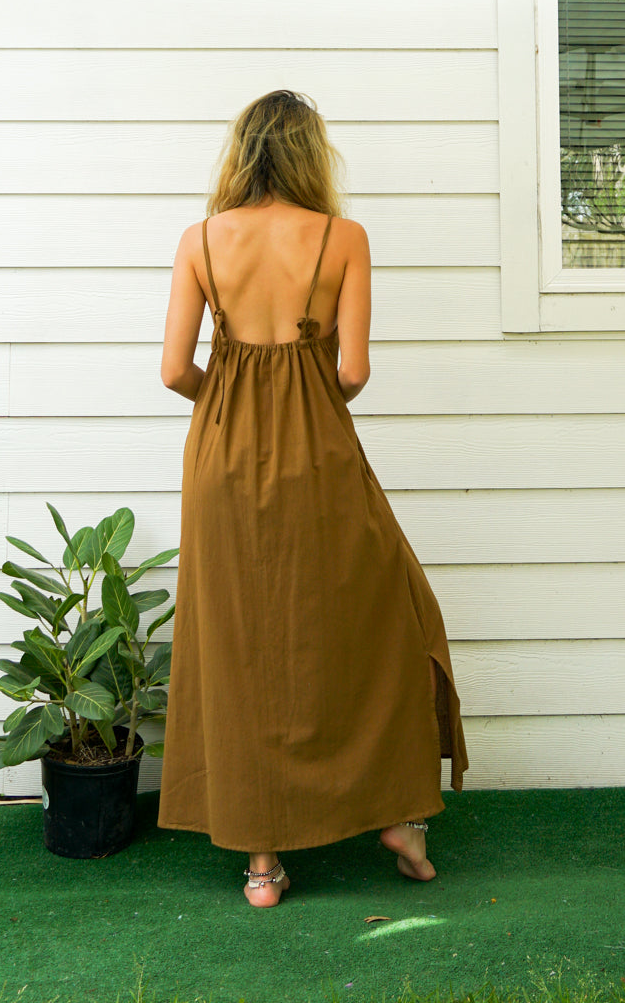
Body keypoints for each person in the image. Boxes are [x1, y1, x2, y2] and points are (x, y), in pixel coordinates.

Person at [157, 89, 469, 908]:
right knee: (377, 615)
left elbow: (171, 371)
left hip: (219, 460)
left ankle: (261, 865)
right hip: (319, 452)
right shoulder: (343, 238)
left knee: (241, 644)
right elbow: (354, 371)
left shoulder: (200, 240)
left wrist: (230, 401)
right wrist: (298, 406)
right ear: (307, 155)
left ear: (240, 152)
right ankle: (401, 817)